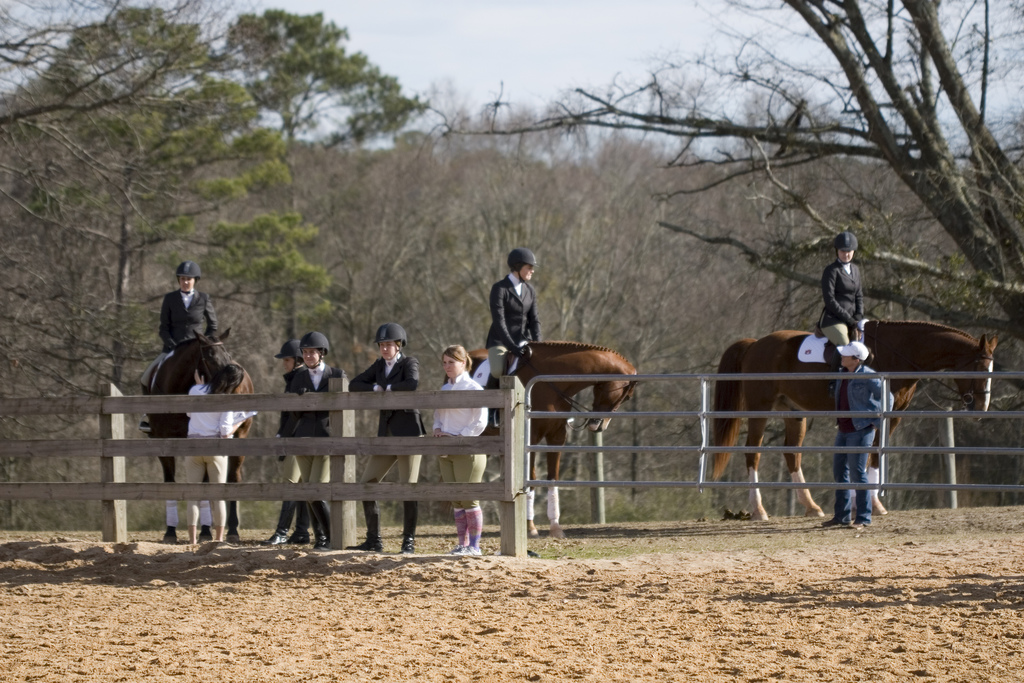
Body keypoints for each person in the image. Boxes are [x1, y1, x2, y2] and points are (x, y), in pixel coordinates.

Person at [348, 323, 425, 554]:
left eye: (388, 344)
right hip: (386, 433)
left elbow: (412, 383)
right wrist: (374, 388)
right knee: (367, 483)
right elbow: (354, 384)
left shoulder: (409, 362)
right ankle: (374, 539)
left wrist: (388, 387)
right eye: (381, 345)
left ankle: (408, 540)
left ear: (399, 345)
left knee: (408, 487)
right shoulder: (379, 365)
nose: (384, 348)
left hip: (409, 432)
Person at [278, 331, 346, 550]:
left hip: (327, 439)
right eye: (305, 352)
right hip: (303, 439)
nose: (308, 356)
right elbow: (293, 414)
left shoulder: (336, 375)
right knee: (308, 493)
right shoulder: (298, 378)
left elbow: (342, 406)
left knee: (316, 489)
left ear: (321, 353)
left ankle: (332, 536)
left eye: (312, 352)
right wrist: (300, 401)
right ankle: (321, 539)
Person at [139, 260, 218, 432]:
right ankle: (149, 416)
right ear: (178, 280)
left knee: (218, 375)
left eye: (189, 279)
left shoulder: (204, 299)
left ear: (195, 280)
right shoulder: (170, 299)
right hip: (172, 349)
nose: (185, 282)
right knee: (145, 378)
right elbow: (163, 328)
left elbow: (213, 326)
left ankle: (220, 417)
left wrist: (204, 344)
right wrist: (173, 346)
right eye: (182, 279)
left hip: (196, 351)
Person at [821, 341, 889, 531]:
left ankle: (863, 517)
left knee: (858, 474)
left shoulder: (868, 375)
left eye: (846, 355)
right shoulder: (843, 374)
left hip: (860, 429)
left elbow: (887, 397)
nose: (842, 357)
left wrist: (876, 420)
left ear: (856, 359)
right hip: (843, 429)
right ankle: (841, 516)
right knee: (839, 472)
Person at [185, 364, 255, 545]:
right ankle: (218, 540)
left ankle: (192, 541)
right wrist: (239, 422)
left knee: (192, 496)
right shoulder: (227, 400)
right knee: (218, 497)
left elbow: (189, 413)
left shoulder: (195, 390)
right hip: (215, 450)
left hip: (193, 448)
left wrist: (198, 387)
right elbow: (225, 432)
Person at [432, 345, 488, 556]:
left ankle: (475, 546)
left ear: (463, 363)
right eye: (444, 363)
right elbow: (438, 416)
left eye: (451, 362)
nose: (447, 366)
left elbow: (480, 421)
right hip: (445, 450)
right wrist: (437, 429)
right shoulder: (444, 389)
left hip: (467, 450)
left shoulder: (475, 389)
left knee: (468, 498)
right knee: (456, 498)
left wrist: (459, 438)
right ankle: (462, 545)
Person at [262, 339, 312, 546]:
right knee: (300, 485)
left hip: (296, 438)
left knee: (291, 484)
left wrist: (284, 436)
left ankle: (282, 532)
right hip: (294, 436)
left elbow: (293, 415)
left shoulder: (300, 377)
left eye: (287, 360)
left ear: (297, 360)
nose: (284, 363)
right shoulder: (294, 378)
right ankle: (301, 531)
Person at [485, 247, 541, 383]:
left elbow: (534, 320)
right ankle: (491, 395)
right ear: (517, 267)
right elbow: (499, 321)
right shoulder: (500, 289)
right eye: (529, 267)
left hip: (523, 340)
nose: (532, 271)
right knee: (498, 370)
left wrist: (539, 344)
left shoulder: (530, 290)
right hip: (501, 341)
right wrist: (511, 346)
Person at [820, 231, 865, 397]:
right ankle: (834, 383)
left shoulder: (855, 270)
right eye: (842, 251)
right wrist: (850, 320)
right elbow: (830, 301)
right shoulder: (831, 271)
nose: (846, 254)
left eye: (849, 251)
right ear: (837, 251)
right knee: (845, 343)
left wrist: (859, 317)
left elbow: (859, 296)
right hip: (833, 320)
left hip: (853, 319)